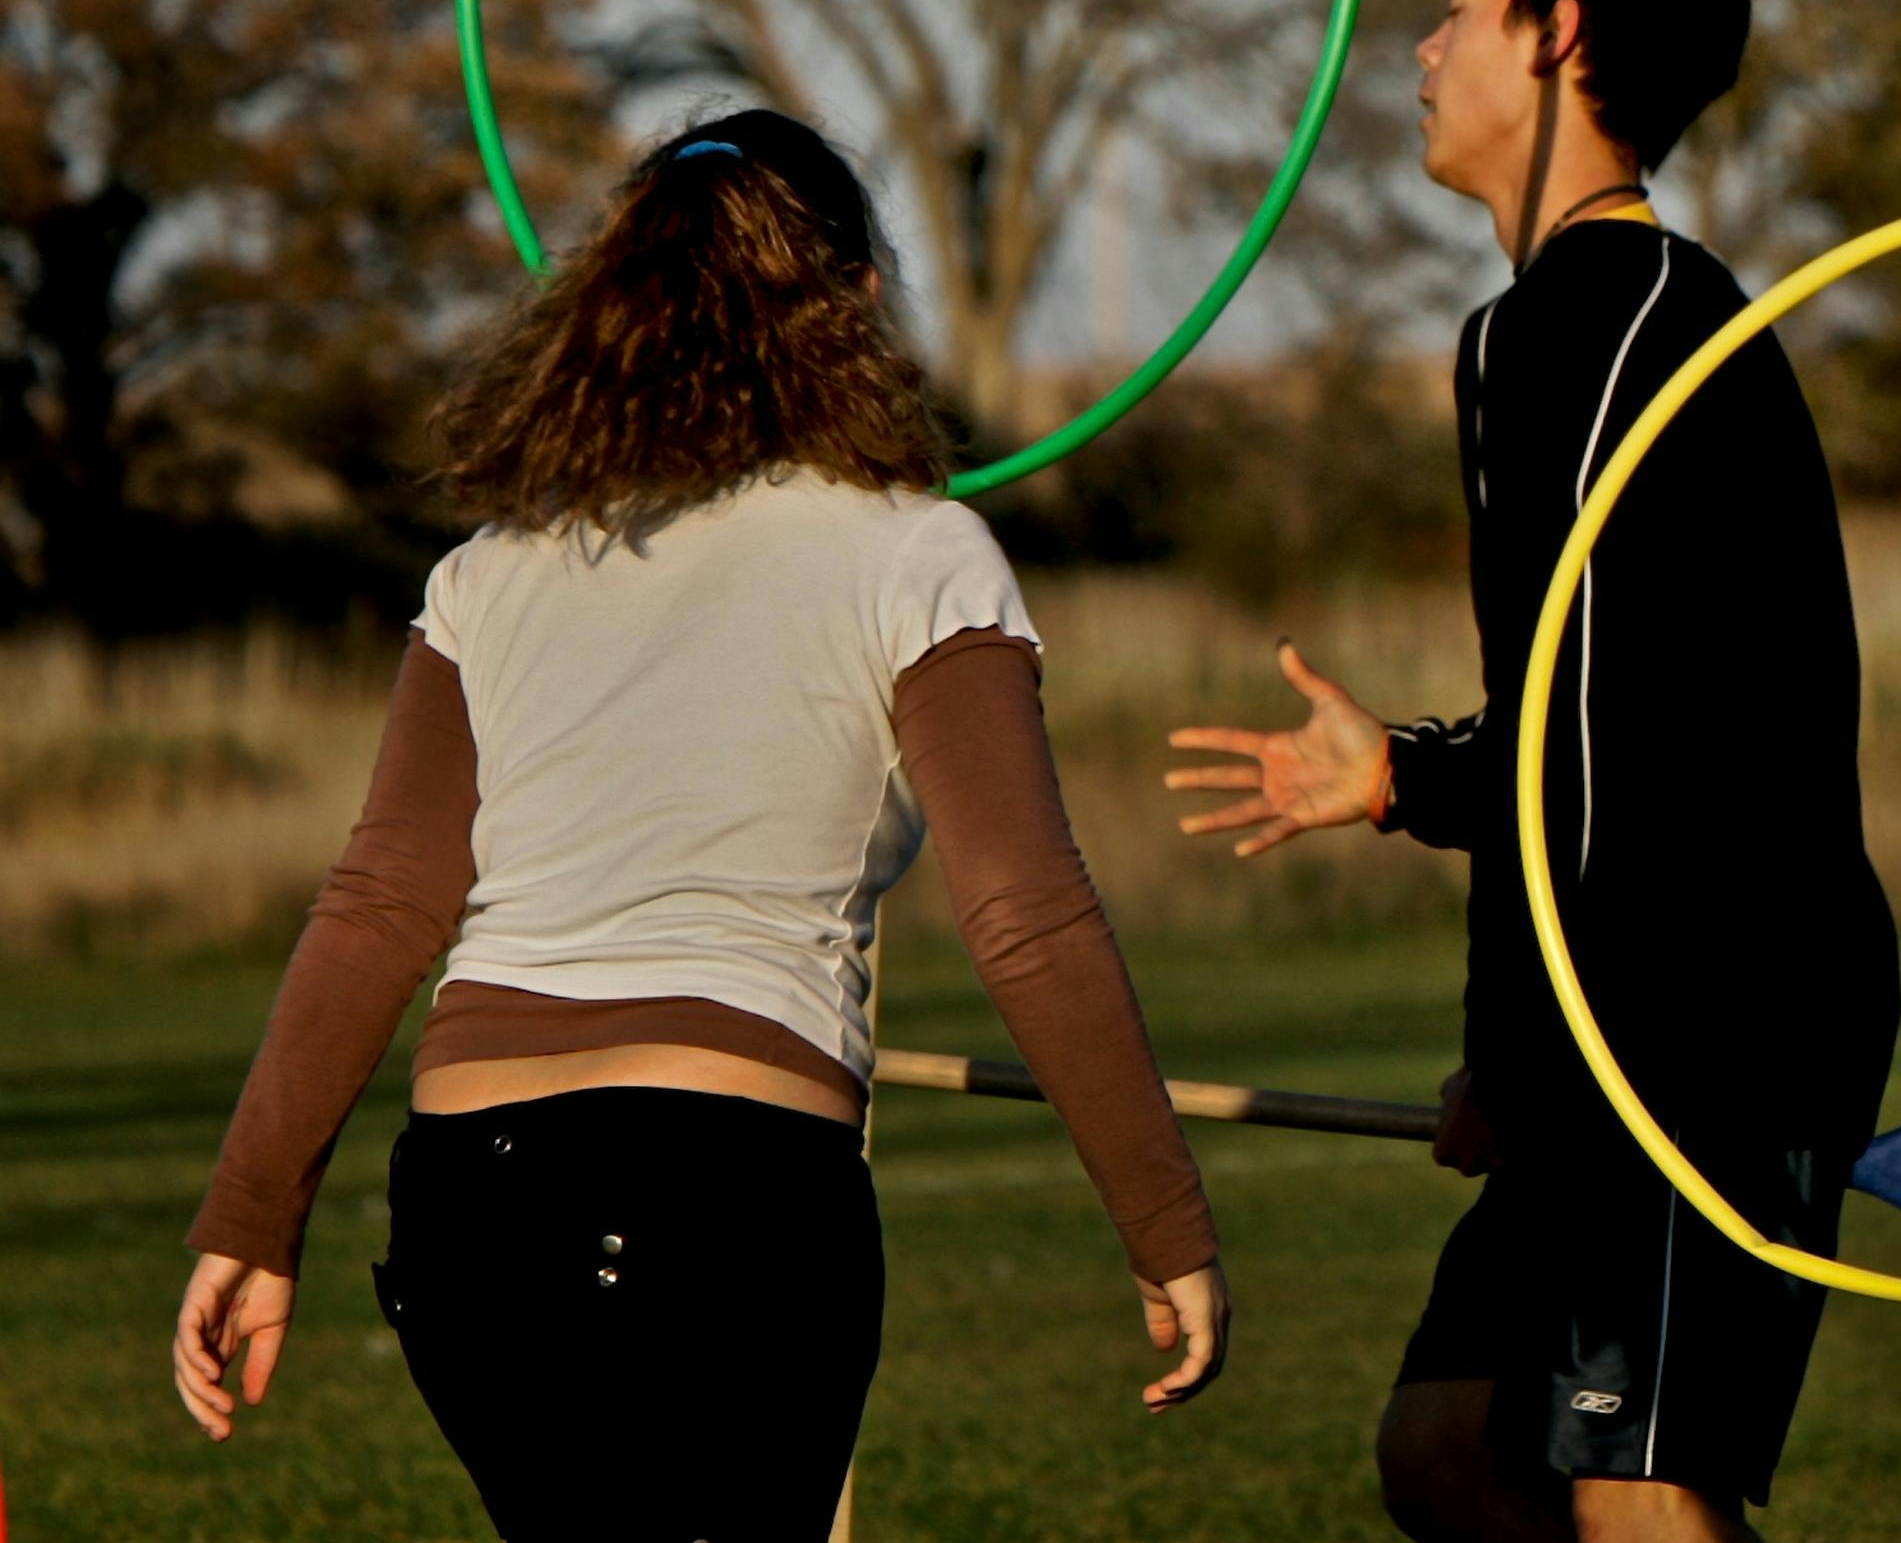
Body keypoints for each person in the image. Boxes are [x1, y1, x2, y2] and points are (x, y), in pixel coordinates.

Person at [175, 108, 1229, 1543]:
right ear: (855, 308)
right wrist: (1165, 1222)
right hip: (732, 1202)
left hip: (474, 1221)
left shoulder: (494, 569)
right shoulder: (917, 552)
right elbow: (1024, 914)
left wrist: (252, 1212)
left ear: (616, 307)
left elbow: (380, 904)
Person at [1167, 0, 1899, 1543]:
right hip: (1634, 989)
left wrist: (1523, 1050)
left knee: (1633, 1492)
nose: (1419, 53)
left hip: (1709, 1002)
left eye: (1451, 7)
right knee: (1450, 1446)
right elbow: (1597, 711)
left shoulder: (1614, 323)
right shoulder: (1540, 329)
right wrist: (1402, 776)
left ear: (1554, 34)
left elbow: (1599, 755)